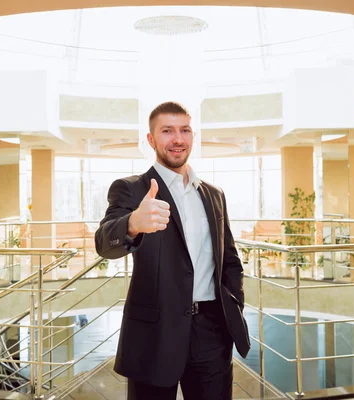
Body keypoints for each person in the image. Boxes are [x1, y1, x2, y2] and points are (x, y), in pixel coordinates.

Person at [94, 101, 250, 400]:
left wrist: (233, 308)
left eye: (185, 130)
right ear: (151, 140)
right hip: (155, 336)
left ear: (193, 136)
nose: (177, 139)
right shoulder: (131, 189)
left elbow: (229, 259)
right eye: (167, 131)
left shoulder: (214, 194)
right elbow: (104, 243)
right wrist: (132, 224)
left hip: (212, 332)